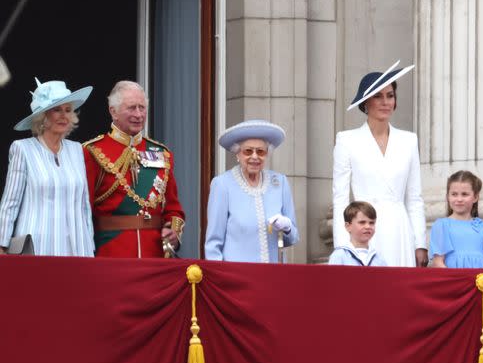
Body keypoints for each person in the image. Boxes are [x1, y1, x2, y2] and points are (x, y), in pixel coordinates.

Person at [333, 60, 427, 267]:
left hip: (399, 230)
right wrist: (342, 245)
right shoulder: (346, 140)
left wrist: (420, 243)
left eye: (390, 95)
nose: (385, 102)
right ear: (365, 102)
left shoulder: (409, 140)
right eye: (378, 96)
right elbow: (340, 198)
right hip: (363, 229)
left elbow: (414, 197)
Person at [83, 81, 185, 258]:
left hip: (153, 255)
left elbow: (173, 208)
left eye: (142, 108)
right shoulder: (92, 151)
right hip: (110, 252)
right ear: (112, 111)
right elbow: (83, 211)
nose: (139, 114)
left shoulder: (162, 153)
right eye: (131, 108)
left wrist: (173, 232)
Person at [0, 78, 94, 256]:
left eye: (68, 110)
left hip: (76, 248)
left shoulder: (77, 150)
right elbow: (10, 203)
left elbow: (84, 205)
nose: (64, 115)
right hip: (37, 247)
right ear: (42, 116)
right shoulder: (23, 149)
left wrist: (89, 244)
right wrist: (1, 244)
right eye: (57, 110)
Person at [205, 119, 299, 262]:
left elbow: (293, 238)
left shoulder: (280, 183)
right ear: (238, 154)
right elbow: (213, 243)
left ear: (267, 154)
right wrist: (219, 277)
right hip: (236, 277)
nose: (254, 157)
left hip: (273, 276)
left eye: (260, 151)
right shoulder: (222, 185)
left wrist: (287, 228)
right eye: (248, 151)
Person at [429, 171, 483, 269]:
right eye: (454, 194)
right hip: (452, 282)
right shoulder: (441, 225)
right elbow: (438, 263)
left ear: (475, 197)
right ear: (448, 196)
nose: (459, 199)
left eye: (464, 194)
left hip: (480, 282)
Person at [328, 201, 387, 266]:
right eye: (362, 222)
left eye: (371, 223)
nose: (368, 226)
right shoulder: (339, 256)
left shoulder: (379, 258)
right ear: (348, 226)